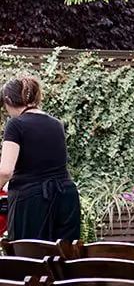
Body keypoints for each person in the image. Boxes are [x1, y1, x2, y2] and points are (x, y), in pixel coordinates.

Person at [0, 76, 81, 241]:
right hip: (66, 197)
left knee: (28, 255)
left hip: (32, 202)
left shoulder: (15, 124)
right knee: (63, 254)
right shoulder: (56, 124)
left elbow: (5, 171)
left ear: (8, 100)